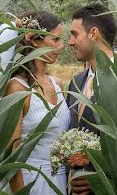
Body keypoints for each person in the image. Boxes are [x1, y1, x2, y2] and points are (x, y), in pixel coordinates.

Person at [65, 4, 117, 195]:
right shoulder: (75, 83)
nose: (69, 42)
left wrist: (102, 179)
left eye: (74, 34)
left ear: (93, 33)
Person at [4, 11, 70, 194]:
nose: (62, 45)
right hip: (33, 183)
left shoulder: (57, 84)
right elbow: (12, 156)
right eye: (55, 40)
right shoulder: (18, 89)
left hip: (63, 181)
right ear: (33, 40)